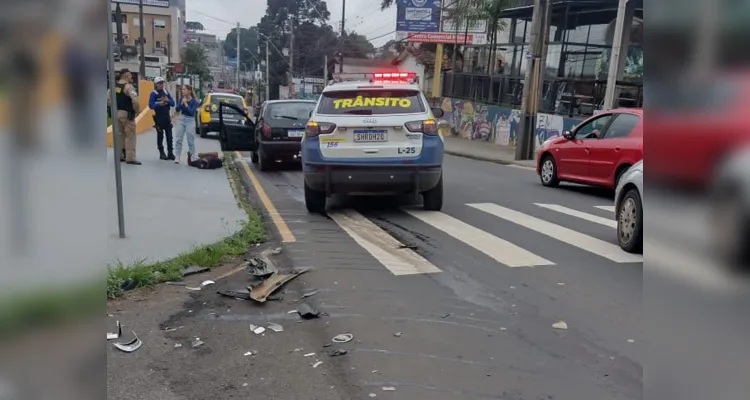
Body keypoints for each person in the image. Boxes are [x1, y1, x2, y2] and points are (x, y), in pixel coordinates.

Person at [107, 68, 141, 165]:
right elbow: (135, 101)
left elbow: (108, 100)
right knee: (130, 136)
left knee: (119, 135)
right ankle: (130, 158)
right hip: (127, 114)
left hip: (116, 113)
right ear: (126, 76)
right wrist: (137, 111)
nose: (131, 77)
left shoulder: (114, 87)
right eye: (130, 75)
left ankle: (118, 156)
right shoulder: (128, 87)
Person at [149, 77, 176, 160]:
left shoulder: (166, 92)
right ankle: (161, 152)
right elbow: (151, 105)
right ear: (156, 84)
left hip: (166, 116)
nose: (161, 85)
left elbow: (173, 103)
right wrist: (159, 104)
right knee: (160, 135)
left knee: (169, 135)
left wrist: (167, 100)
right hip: (159, 116)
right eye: (159, 83)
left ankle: (170, 152)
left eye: (162, 83)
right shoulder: (154, 93)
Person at [173, 84, 199, 164]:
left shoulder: (194, 101)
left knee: (190, 140)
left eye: (184, 89)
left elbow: (191, 112)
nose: (182, 91)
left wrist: (186, 104)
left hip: (190, 120)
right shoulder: (182, 99)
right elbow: (177, 109)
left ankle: (192, 157)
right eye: (182, 89)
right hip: (182, 118)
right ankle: (177, 156)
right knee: (178, 139)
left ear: (189, 91)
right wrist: (181, 103)